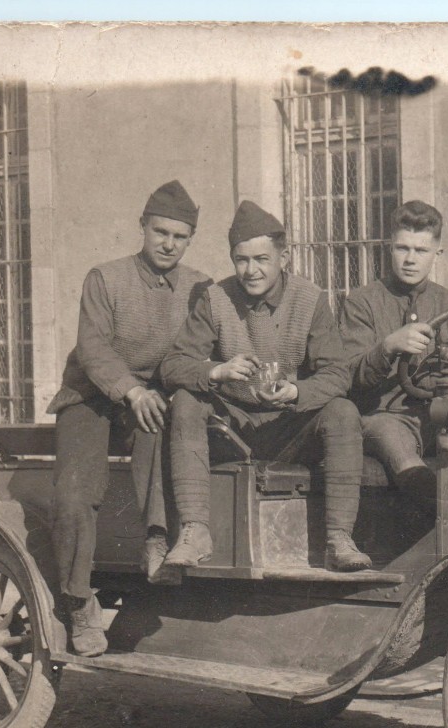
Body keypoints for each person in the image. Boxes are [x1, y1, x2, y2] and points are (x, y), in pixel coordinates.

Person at [157, 200, 372, 576]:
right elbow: (174, 365)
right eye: (241, 260)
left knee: (343, 412)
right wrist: (218, 370)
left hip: (289, 427)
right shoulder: (216, 298)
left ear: (283, 257)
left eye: (261, 259)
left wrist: (296, 392)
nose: (251, 270)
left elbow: (338, 374)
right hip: (232, 430)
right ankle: (195, 531)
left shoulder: (310, 299)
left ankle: (339, 539)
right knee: (188, 401)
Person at [46, 180, 209, 656]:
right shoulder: (106, 278)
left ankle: (156, 543)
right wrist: (131, 389)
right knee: (74, 493)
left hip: (151, 400)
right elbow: (93, 349)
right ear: (142, 227)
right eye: (160, 232)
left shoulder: (200, 287)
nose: (168, 244)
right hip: (92, 396)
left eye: (180, 237)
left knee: (170, 426)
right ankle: (78, 604)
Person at [341, 200, 448, 500]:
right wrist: (388, 346)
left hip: (439, 416)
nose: (410, 260)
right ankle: (438, 515)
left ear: (437, 253)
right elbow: (349, 377)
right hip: (383, 417)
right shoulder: (361, 303)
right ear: (389, 247)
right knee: (396, 443)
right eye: (403, 248)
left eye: (421, 251)